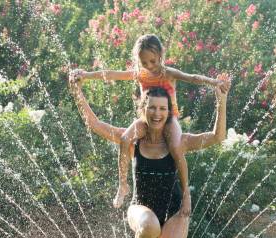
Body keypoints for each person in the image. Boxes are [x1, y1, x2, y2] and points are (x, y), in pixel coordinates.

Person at [69, 74, 230, 238]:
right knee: (149, 225)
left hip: (175, 211)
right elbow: (94, 123)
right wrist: (76, 90)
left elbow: (217, 137)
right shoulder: (134, 139)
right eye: (152, 107)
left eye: (162, 109)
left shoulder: (178, 142)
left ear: (169, 112)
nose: (157, 113)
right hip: (140, 206)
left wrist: (222, 97)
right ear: (143, 109)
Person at [70, 34, 230, 220]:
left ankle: (186, 193)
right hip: (146, 120)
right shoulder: (140, 73)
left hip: (170, 119)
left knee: (176, 146)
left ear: (161, 55)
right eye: (144, 62)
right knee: (124, 138)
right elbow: (112, 74)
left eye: (152, 61)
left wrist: (214, 83)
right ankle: (123, 185)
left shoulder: (168, 73)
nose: (149, 65)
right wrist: (87, 76)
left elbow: (192, 77)